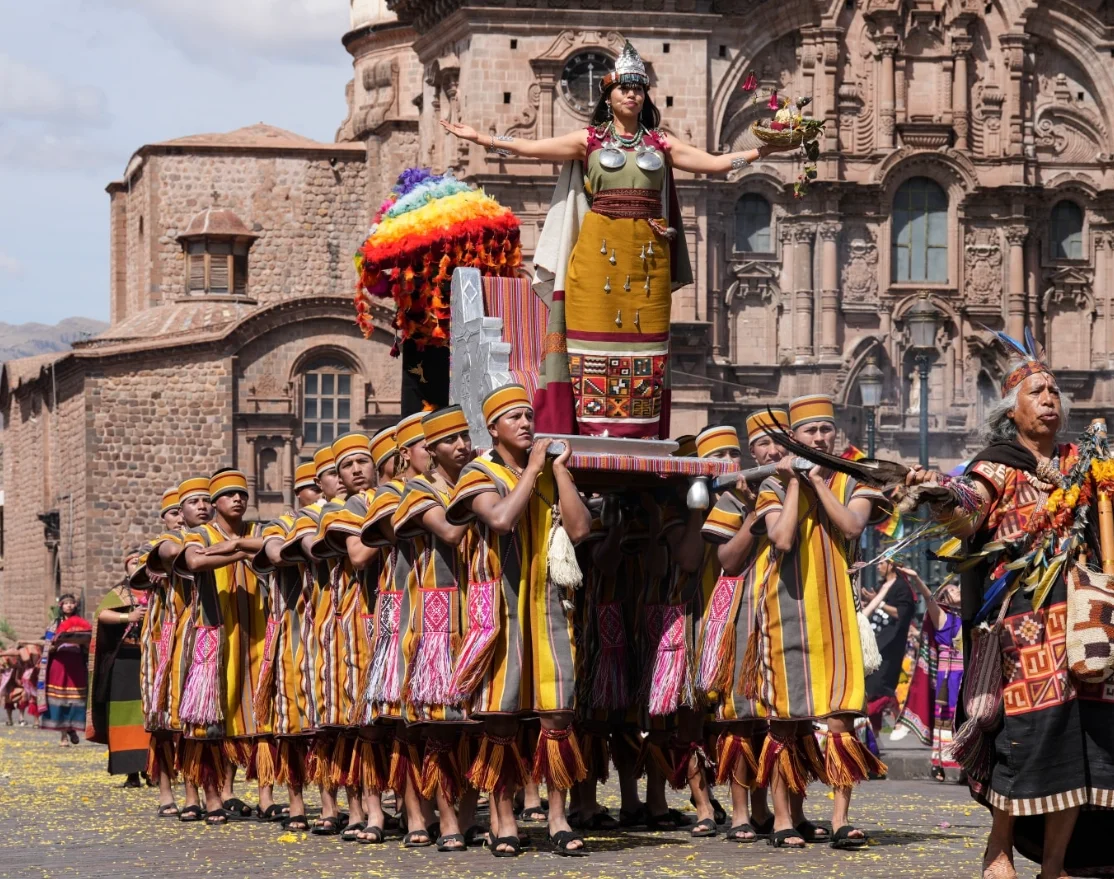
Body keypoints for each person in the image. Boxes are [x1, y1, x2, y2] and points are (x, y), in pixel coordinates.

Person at [440, 41, 793, 440]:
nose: (632, 94)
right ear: (608, 96)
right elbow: (531, 149)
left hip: (647, 261)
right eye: (624, 87)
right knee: (590, 345)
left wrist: (763, 148)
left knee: (646, 347)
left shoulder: (661, 145)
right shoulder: (588, 140)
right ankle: (591, 430)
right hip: (596, 258)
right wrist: (482, 139)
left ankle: (637, 433)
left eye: (638, 88)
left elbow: (713, 163)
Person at [906, 351, 1114, 879]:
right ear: (1010, 412)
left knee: (1083, 739)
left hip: (1087, 622)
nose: (1049, 400)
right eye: (1036, 393)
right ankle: (998, 848)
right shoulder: (995, 463)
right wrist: (940, 493)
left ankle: (1055, 864)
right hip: (1023, 625)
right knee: (1028, 735)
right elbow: (968, 505)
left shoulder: (1085, 461)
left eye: (1054, 393)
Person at [447, 384, 591, 856]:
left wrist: (561, 472)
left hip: (549, 604)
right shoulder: (477, 472)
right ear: (492, 428)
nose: (527, 423)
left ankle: (557, 818)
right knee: (502, 718)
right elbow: (503, 520)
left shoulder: (547, 471)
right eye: (514, 417)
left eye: (529, 415)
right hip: (501, 609)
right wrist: (533, 469)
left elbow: (581, 529)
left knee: (557, 713)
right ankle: (502, 820)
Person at [750, 394, 887, 849]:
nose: (820, 437)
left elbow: (851, 528)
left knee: (841, 719)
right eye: (810, 432)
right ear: (794, 439)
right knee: (785, 722)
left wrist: (821, 485)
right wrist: (793, 484)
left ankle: (841, 818)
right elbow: (783, 537)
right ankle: (785, 819)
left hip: (837, 615)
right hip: (785, 613)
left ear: (837, 435)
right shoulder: (771, 486)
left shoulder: (854, 480)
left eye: (826, 430)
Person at [697, 409, 792, 843]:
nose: (772, 451)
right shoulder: (731, 499)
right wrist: (756, 514)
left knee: (781, 719)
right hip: (740, 616)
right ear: (751, 451)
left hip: (784, 610)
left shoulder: (795, 491)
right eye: (763, 445)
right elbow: (728, 561)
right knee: (738, 717)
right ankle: (739, 813)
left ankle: (780, 812)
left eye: (780, 442)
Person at [392, 405, 478, 852]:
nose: (461, 446)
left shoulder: (479, 479)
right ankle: (443, 819)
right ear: (428, 450)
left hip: (482, 614)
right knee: (440, 726)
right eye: (451, 440)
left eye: (465, 437)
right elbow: (450, 532)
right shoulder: (415, 492)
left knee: (479, 722)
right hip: (436, 622)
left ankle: (466, 815)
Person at [178, 469, 270, 825]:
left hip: (257, 636)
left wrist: (235, 545)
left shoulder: (257, 532)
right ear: (215, 502)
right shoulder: (199, 534)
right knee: (209, 721)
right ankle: (212, 796)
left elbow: (274, 549)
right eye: (229, 494)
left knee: (260, 719)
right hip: (213, 638)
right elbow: (196, 560)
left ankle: (266, 796)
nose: (237, 499)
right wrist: (240, 554)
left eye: (242, 494)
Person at [250, 461, 321, 832]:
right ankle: (296, 804)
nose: (321, 492)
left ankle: (337, 807)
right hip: (294, 635)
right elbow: (275, 554)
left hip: (340, 632)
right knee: (293, 723)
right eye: (314, 486)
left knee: (338, 726)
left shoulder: (353, 511)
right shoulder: (280, 526)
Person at [87, 554, 151, 787]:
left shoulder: (158, 590)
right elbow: (102, 615)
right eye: (134, 563)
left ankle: (153, 769)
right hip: (125, 661)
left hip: (151, 660)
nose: (138, 566)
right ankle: (131, 773)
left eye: (142, 562)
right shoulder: (120, 592)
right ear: (126, 568)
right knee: (124, 716)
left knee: (150, 715)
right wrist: (129, 616)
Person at [895, 579, 963, 783]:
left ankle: (967, 763)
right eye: (952, 589)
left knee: (966, 717)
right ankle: (940, 762)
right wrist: (916, 578)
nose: (957, 590)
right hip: (950, 673)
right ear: (943, 598)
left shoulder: (970, 616)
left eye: (958, 587)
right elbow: (928, 596)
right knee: (949, 718)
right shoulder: (942, 616)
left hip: (967, 671)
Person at [863, 559, 919, 736]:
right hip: (876, 641)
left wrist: (878, 603)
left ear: (891, 565)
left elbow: (902, 613)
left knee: (880, 686)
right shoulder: (882, 586)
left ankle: (900, 719)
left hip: (891, 643)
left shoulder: (902, 587)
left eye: (881, 563)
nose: (878, 566)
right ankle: (876, 733)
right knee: (872, 686)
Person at [37, 593, 90, 746]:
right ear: (61, 606)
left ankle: (71, 728)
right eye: (65, 603)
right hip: (59, 665)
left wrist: (84, 642)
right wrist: (56, 645)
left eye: (71, 603)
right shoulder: (55, 624)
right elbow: (48, 646)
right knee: (60, 699)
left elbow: (87, 646)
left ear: (75, 605)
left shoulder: (83, 623)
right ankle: (63, 736)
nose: (68, 605)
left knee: (75, 699)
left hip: (76, 665)